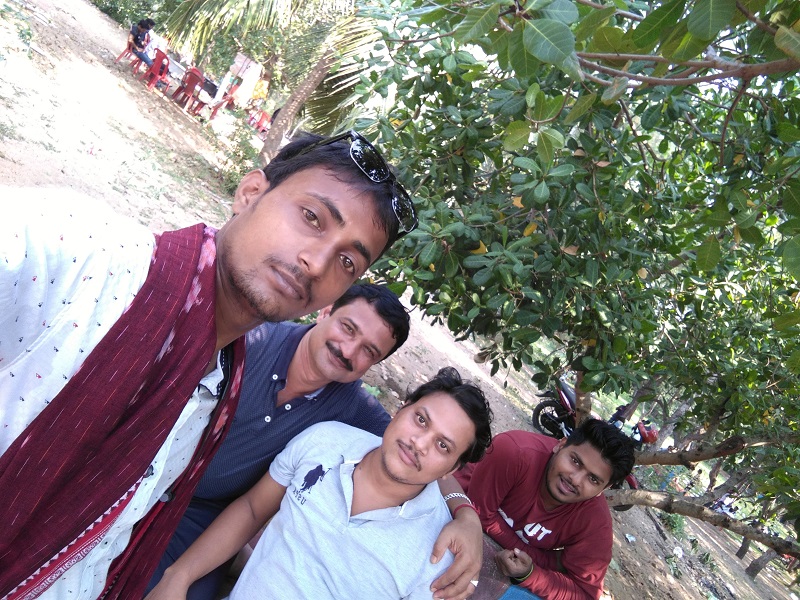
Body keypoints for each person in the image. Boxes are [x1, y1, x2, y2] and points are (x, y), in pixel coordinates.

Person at [0, 130, 418, 599]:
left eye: (347, 262)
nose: (317, 263)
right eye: (311, 217)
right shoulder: (91, 261)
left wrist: (461, 507)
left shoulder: (217, 384)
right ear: (250, 193)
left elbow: (419, 438)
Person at [148, 283, 485, 600]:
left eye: (368, 351)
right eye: (348, 328)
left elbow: (416, 455)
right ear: (326, 311)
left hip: (200, 514)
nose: (348, 350)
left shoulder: (352, 412)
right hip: (143, 472)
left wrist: (467, 517)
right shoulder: (252, 339)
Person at [455, 419, 636, 600]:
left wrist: (530, 574)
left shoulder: (596, 523)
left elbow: (585, 593)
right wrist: (549, 561)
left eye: (593, 479)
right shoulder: (515, 451)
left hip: (509, 565)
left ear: (604, 489)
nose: (575, 480)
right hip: (456, 509)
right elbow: (478, 514)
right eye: (575, 461)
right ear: (561, 445)